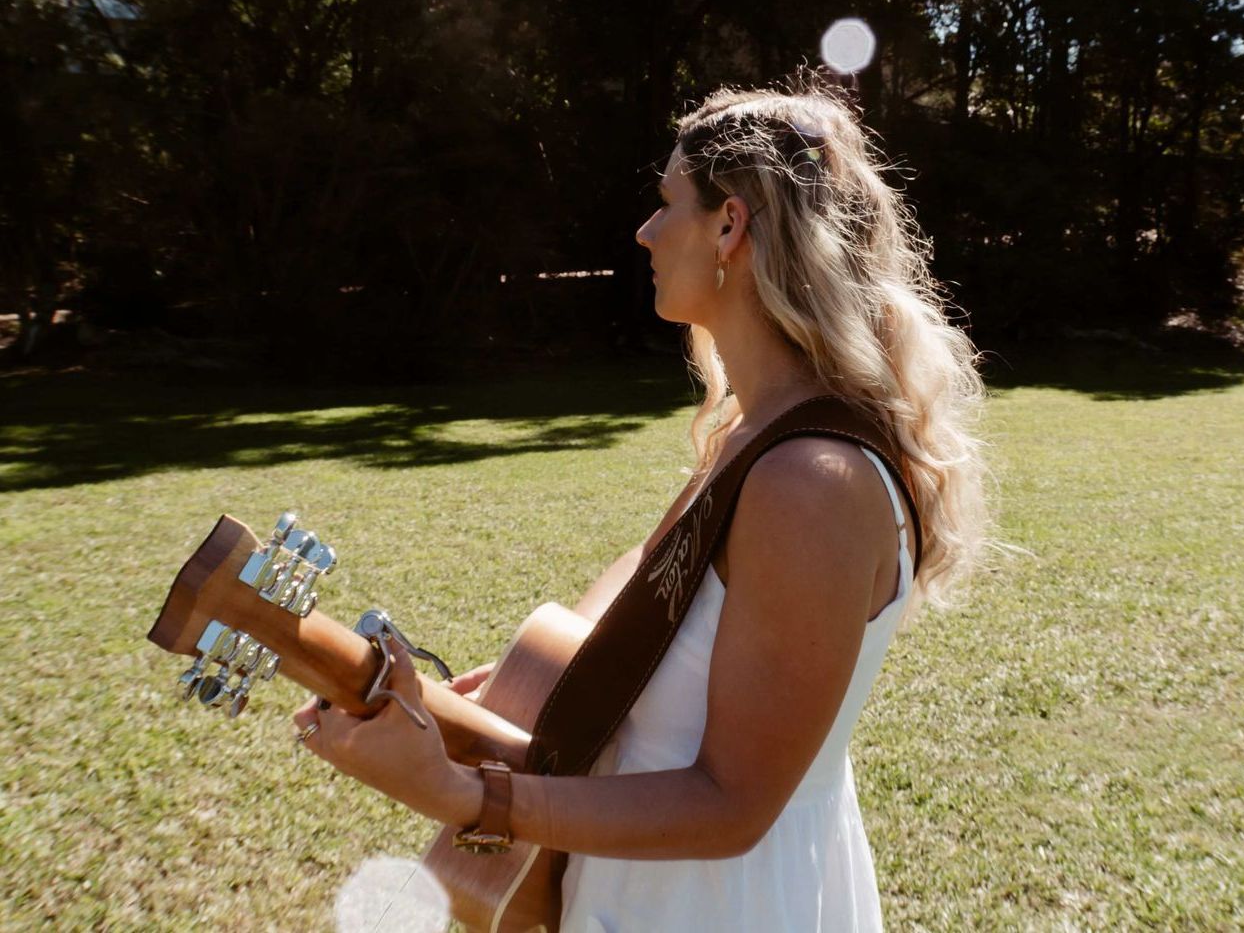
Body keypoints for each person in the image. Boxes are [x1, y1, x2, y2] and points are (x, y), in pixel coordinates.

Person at [293, 70, 989, 931]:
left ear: (730, 223)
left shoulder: (810, 480)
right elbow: (631, 619)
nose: (645, 230)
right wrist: (501, 697)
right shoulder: (756, 438)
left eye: (667, 203)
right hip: (644, 890)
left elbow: (731, 805)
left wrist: (465, 793)